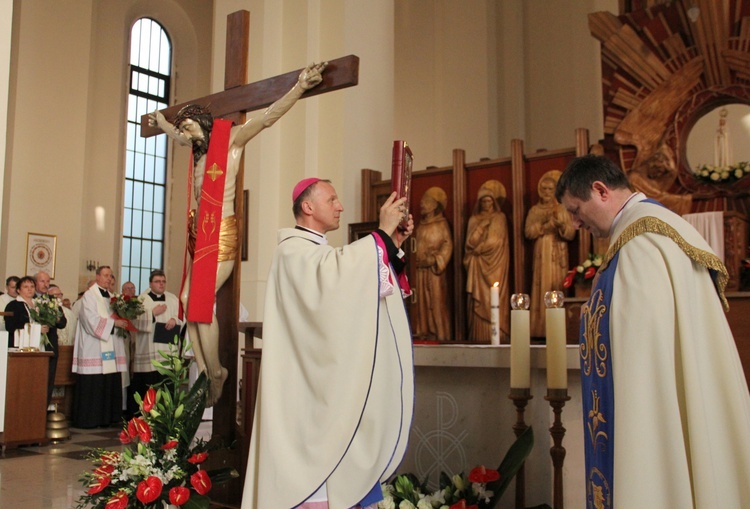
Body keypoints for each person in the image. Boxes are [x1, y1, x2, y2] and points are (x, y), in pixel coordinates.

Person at [555, 154, 750, 508]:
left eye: (576, 209)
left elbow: (643, 359)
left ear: (600, 190)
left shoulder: (640, 243)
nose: (575, 222)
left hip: (654, 415)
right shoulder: (658, 228)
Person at [148, 62, 327, 405]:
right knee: (187, 302)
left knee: (200, 303)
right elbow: (177, 135)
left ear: (202, 124)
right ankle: (206, 369)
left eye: (188, 128)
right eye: (181, 131)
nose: (184, 135)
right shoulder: (197, 154)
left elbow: (267, 117)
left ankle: (217, 372)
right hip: (199, 234)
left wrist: (300, 87)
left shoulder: (230, 141)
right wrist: (163, 124)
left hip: (222, 232)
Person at [242, 179, 414, 509]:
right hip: (305, 398)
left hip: (325, 389)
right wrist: (380, 236)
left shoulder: (318, 252)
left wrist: (390, 243)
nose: (340, 206)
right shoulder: (293, 251)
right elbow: (337, 275)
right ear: (308, 207)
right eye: (332, 199)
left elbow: (349, 288)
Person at [72, 265, 129, 428]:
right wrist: (114, 323)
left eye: (111, 276)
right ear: (97, 277)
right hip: (94, 347)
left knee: (109, 381)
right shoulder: (90, 296)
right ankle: (90, 418)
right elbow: (90, 320)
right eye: (105, 275)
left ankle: (108, 417)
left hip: (110, 346)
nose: (109, 279)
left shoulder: (112, 297)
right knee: (94, 384)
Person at [524, 171, 575, 337]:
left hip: (558, 250)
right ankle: (539, 327)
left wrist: (561, 226)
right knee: (541, 287)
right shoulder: (534, 210)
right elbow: (528, 232)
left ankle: (558, 328)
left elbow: (571, 232)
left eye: (550, 189)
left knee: (556, 284)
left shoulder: (562, 208)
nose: (547, 192)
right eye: (544, 189)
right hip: (542, 250)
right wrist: (545, 226)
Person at [129, 270, 182, 416]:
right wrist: (152, 314)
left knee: (166, 385)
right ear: (150, 283)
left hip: (168, 351)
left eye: (163, 281)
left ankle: (167, 415)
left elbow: (182, 317)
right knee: (149, 386)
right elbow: (134, 321)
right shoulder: (141, 300)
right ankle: (146, 415)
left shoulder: (173, 299)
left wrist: (175, 320)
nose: (161, 284)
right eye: (158, 281)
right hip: (148, 350)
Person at [464, 181, 510, 342]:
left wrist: (480, 248)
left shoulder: (499, 217)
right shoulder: (474, 219)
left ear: (494, 201)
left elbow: (496, 240)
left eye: (489, 200)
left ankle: (499, 334)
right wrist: (481, 227)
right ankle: (479, 335)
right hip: (477, 265)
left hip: (495, 263)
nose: (486, 204)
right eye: (483, 201)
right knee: (478, 300)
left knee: (494, 297)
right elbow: (469, 243)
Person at [413, 186, 453, 341]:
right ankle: (423, 332)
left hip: (434, 272)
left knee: (435, 302)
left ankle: (439, 333)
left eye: (426, 201)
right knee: (421, 303)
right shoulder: (420, 226)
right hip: (419, 271)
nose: (422, 204)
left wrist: (435, 259)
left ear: (435, 204)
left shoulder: (442, 224)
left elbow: (447, 245)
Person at [34, 271, 68, 404]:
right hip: (35, 345)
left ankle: (44, 411)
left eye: (48, 281)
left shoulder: (53, 301)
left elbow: (63, 323)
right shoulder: (31, 300)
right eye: (42, 281)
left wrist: (54, 318)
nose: (45, 284)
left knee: (48, 380)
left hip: (50, 345)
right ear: (35, 282)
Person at [4, 276, 49, 348]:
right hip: (20, 344)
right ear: (18, 290)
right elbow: (10, 326)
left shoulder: (39, 304)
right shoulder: (13, 305)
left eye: (32, 286)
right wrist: (36, 329)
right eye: (25, 287)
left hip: (38, 343)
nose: (29, 289)